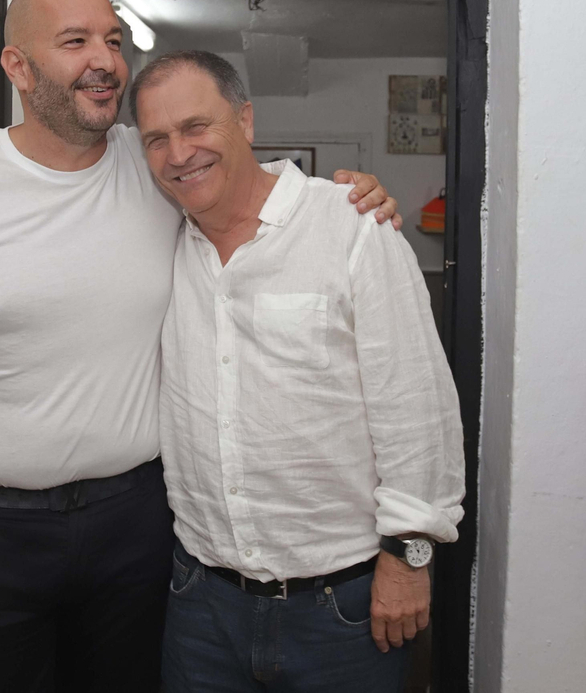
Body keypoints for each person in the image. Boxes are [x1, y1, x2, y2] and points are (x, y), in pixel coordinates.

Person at [0, 0, 398, 692]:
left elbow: (259, 193)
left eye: (113, 39)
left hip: (137, 531)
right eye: (75, 42)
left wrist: (355, 200)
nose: (104, 60)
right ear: (18, 66)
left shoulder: (160, 168)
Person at [132, 51, 465, 693]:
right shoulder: (162, 240)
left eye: (197, 126)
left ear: (246, 120)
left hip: (342, 606)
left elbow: (415, 405)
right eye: (157, 139)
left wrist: (410, 557)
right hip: (201, 599)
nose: (180, 153)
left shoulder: (351, 226)